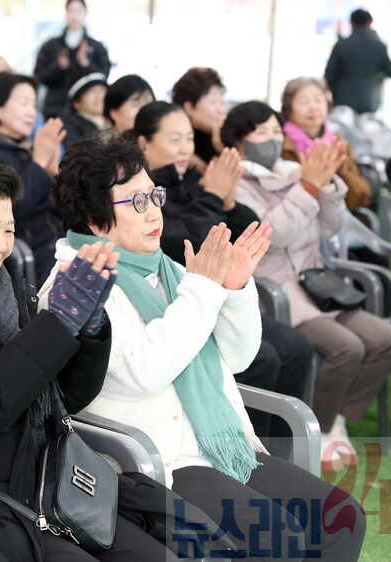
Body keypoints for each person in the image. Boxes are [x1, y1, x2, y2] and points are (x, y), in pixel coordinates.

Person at [0, 149, 218, 562]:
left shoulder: (3, 292)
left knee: (188, 546)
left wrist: (88, 330)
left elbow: (64, 397)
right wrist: (56, 324)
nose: (2, 246)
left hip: (55, 479)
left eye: (8, 230)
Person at [42, 130, 367, 560]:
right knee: (277, 536)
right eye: (136, 202)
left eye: (154, 195)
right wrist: (203, 290)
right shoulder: (73, 285)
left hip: (219, 443)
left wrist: (233, 289)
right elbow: (143, 373)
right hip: (157, 461)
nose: (154, 211)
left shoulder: (167, 268)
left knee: (342, 517)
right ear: (95, 220)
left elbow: (238, 358)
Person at [221, 100, 391, 469]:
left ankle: (337, 417)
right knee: (347, 348)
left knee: (388, 339)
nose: (272, 138)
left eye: (275, 130)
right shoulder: (236, 186)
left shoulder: (294, 173)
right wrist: (307, 187)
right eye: (261, 132)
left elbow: (333, 227)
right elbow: (274, 236)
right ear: (238, 141)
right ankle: (320, 428)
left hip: (320, 288)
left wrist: (326, 185)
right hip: (278, 295)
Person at [134, 101, 314, 443]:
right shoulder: (143, 194)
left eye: (189, 138)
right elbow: (182, 244)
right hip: (178, 300)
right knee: (264, 358)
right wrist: (213, 197)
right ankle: (243, 446)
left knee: (297, 347)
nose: (186, 148)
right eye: (175, 139)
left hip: (216, 297)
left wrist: (228, 203)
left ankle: (282, 451)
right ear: (144, 143)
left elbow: (247, 233)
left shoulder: (192, 181)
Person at [0, 72, 65, 282]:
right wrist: (39, 163)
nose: (31, 112)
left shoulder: (24, 147)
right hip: (27, 253)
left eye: (34, 105)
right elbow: (12, 209)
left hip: (55, 242)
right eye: (23, 102)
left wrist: (54, 174)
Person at [280, 77, 371, 210]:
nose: (313, 107)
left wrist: (343, 174)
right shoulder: (280, 143)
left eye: (318, 100)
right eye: (304, 102)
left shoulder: (338, 143)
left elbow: (360, 198)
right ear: (288, 109)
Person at [33, 0, 110, 119]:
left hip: (87, 112)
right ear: (66, 13)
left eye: (78, 11)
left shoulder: (96, 47)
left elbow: (103, 76)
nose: (74, 16)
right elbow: (39, 76)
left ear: (85, 14)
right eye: (71, 11)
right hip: (54, 109)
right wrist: (58, 67)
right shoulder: (51, 45)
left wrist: (86, 64)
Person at [324, 8, 391, 114]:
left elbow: (329, 74)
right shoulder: (379, 45)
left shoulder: (341, 45)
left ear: (351, 23)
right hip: (369, 103)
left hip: (343, 102)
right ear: (370, 23)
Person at [172, 67, 226, 173]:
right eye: (213, 102)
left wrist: (220, 146)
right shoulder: (172, 141)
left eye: (221, 102)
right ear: (189, 107)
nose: (221, 110)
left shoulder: (220, 136)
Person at [59, 71, 108, 148]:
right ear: (76, 103)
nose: (99, 96)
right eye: (92, 91)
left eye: (102, 90)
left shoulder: (111, 121)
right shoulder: (68, 126)